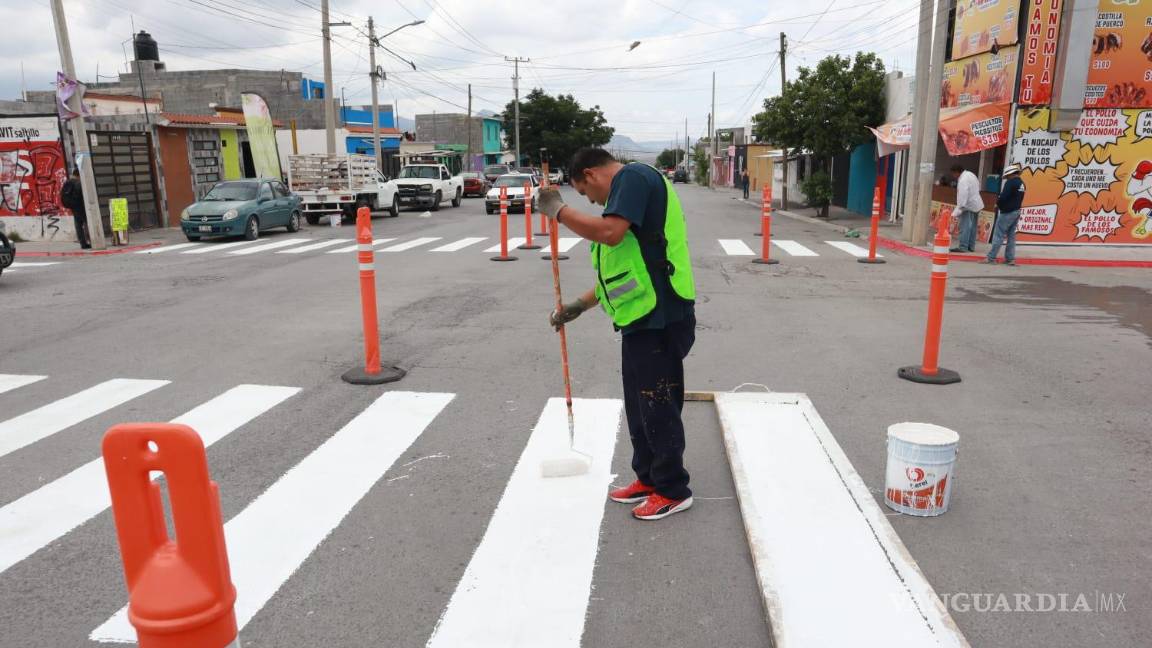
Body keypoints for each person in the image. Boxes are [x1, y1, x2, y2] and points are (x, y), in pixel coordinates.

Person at [536, 148, 697, 521]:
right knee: (640, 406)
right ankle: (648, 477)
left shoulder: (633, 179)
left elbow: (609, 234)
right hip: (641, 317)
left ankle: (673, 488)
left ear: (591, 174)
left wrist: (559, 211)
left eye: (585, 193)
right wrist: (578, 305)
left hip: (663, 315)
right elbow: (623, 272)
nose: (591, 201)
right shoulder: (626, 197)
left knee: (658, 404)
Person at [984, 164, 1025, 265]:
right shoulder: (1021, 183)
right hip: (1016, 211)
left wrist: (997, 204)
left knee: (998, 235)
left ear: (1011, 174)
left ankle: (991, 258)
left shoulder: (1010, 183)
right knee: (1011, 236)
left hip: (1007, 212)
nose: (1006, 178)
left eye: (1007, 176)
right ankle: (1010, 259)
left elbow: (1003, 196)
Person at [949, 164, 983, 253]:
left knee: (965, 226)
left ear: (956, 172)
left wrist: (959, 209)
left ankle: (963, 247)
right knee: (973, 227)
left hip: (967, 206)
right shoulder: (970, 174)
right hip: (976, 203)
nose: (953, 176)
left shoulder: (963, 180)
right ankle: (971, 246)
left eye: (953, 174)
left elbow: (963, 195)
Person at [59, 169, 91, 250]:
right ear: (79, 174)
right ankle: (91, 240)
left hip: (73, 206)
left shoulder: (67, 182)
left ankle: (83, 243)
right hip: (80, 206)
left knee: (78, 225)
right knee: (87, 223)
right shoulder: (78, 183)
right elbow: (81, 195)